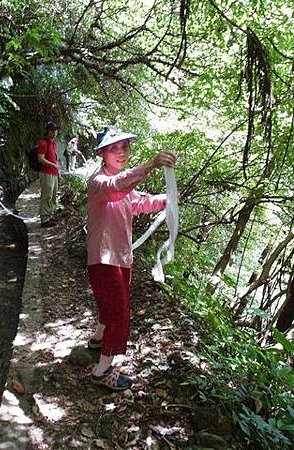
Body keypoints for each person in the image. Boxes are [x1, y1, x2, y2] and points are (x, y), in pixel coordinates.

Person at [86, 126, 177, 391]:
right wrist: (151, 164)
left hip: (121, 257)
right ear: (102, 153)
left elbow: (137, 202)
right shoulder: (99, 182)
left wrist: (167, 200)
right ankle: (102, 370)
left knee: (111, 305)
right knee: (120, 313)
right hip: (105, 258)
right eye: (114, 148)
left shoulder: (119, 183)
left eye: (124, 147)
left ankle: (97, 340)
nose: (121, 152)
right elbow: (116, 187)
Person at [37, 121, 60, 228]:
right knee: (47, 195)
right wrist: (53, 165)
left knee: (53, 195)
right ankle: (44, 219)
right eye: (54, 130)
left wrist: (58, 171)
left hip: (54, 173)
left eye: (56, 130)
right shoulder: (43, 143)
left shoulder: (53, 143)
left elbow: (54, 158)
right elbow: (40, 159)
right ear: (49, 131)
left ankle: (50, 216)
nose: (56, 132)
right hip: (46, 173)